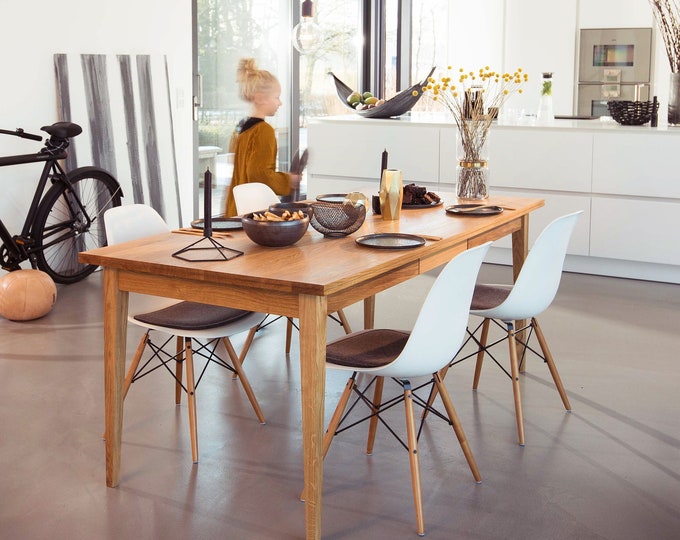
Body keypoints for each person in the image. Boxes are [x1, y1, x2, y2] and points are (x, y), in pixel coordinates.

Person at [224, 58, 301, 217]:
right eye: (277, 97)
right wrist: (289, 181)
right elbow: (259, 174)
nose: (280, 103)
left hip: (235, 206)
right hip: (253, 211)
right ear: (260, 98)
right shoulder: (263, 131)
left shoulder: (241, 127)